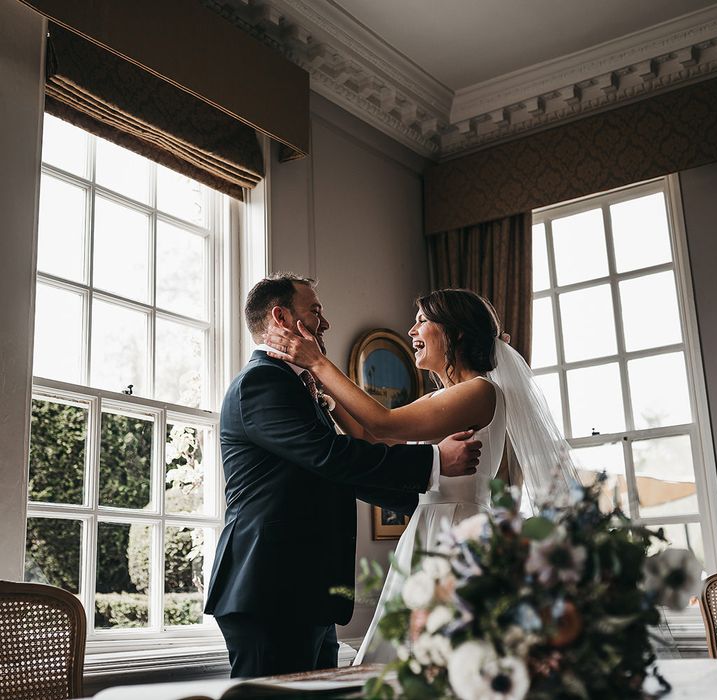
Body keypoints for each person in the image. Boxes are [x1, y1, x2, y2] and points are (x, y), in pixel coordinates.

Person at [264, 288, 577, 663]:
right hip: (430, 526)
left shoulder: (480, 391)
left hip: (456, 533)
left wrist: (317, 363)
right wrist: (327, 402)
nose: (412, 331)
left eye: (422, 321)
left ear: (455, 333)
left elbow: (386, 422)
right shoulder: (440, 398)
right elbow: (372, 435)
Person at [204, 274, 483, 678]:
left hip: (306, 591)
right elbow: (333, 457)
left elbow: (337, 473)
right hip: (270, 588)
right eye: (315, 311)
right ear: (281, 317)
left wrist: (425, 504)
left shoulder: (297, 386)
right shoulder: (261, 382)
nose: (326, 322)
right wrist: (434, 463)